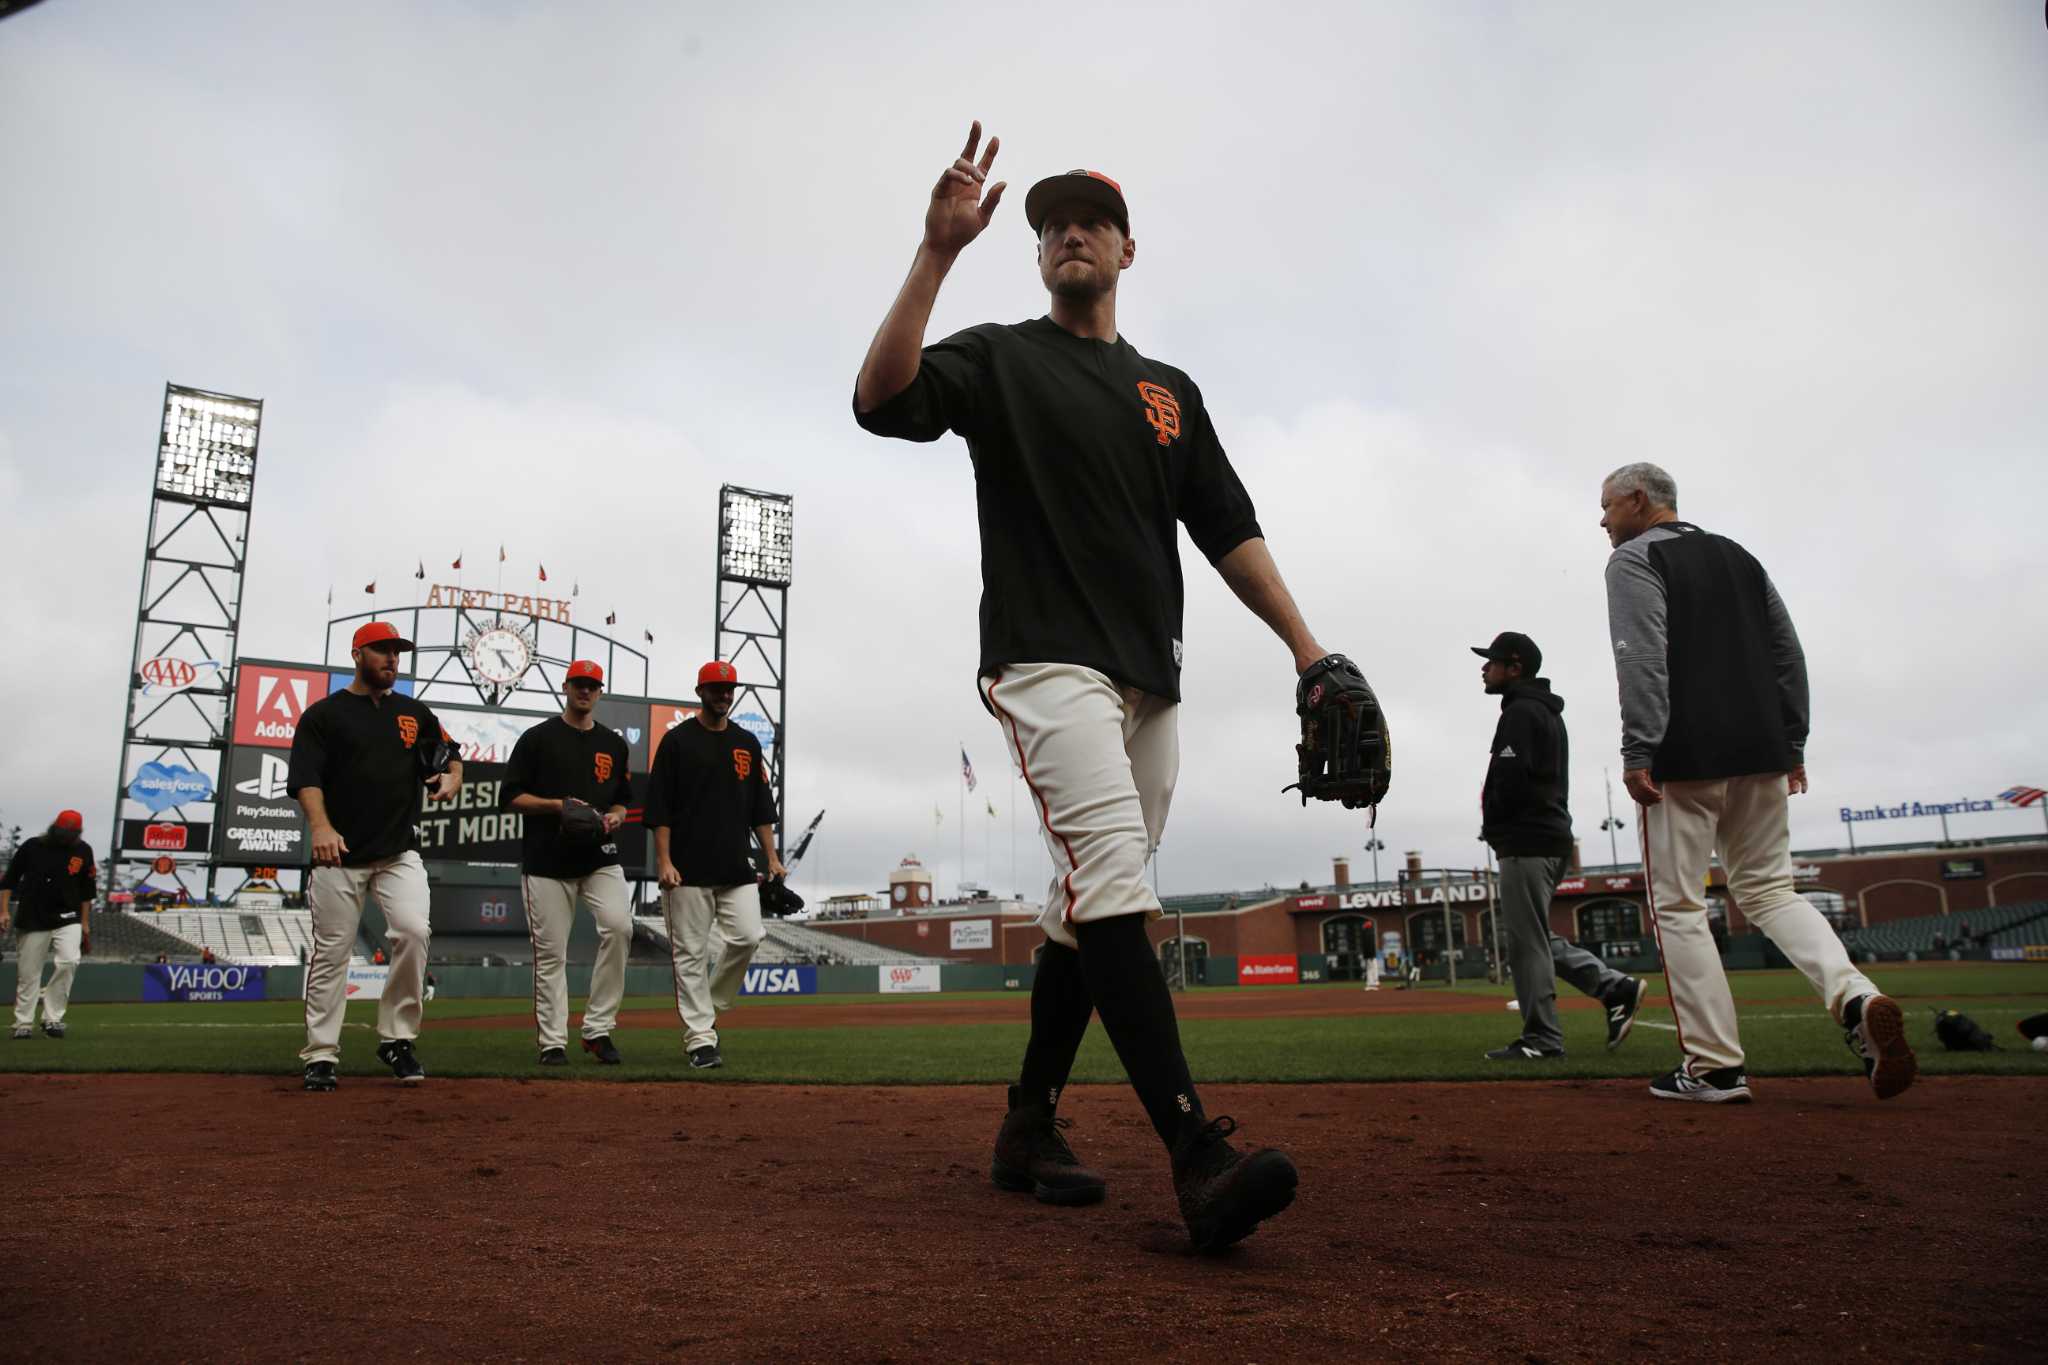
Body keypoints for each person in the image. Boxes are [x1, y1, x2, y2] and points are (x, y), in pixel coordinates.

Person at [852, 123, 1335, 1251]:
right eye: (1049, 223)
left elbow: (1227, 529)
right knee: (1112, 875)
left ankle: (1025, 1125)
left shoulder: (1167, 391)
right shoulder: (1000, 355)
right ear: (1035, 257)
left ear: (1126, 249)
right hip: (1042, 656)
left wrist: (1307, 650)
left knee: (1085, 908)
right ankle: (1194, 1155)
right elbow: (880, 401)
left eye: (1091, 220)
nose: (1068, 230)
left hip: (1149, 678)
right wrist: (934, 254)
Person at [1600, 462, 1915, 1102]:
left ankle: (1714, 1066)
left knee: (1681, 907)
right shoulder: (1741, 557)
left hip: (1682, 759)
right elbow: (1786, 654)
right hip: (1763, 752)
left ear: (1639, 500)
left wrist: (1639, 749)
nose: (1602, 521)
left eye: (1607, 506)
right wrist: (1792, 742)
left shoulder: (1633, 560)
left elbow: (1642, 655)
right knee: (1773, 893)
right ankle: (1857, 998)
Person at [287, 621, 461, 1092]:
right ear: (357, 654)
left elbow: (451, 754)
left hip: (398, 851)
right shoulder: (324, 716)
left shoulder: (413, 712)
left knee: (413, 931)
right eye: (381, 650)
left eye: (396, 652)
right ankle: (321, 1055)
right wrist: (320, 826)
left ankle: (397, 1038)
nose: (391, 658)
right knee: (332, 955)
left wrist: (452, 777)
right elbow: (306, 779)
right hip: (338, 855)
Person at [1472, 631, 1647, 1061]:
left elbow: (1512, 780)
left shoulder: (1522, 711)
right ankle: (1614, 987)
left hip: (1527, 839)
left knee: (1526, 943)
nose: (1484, 668)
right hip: (1546, 836)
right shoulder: (1540, 710)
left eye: (1491, 661)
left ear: (1515, 668)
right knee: (1535, 936)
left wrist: (1497, 819)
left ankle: (1542, 1040)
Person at [645, 660, 785, 1070]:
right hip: (686, 868)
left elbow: (762, 807)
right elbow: (661, 809)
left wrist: (772, 858)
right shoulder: (676, 742)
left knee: (748, 936)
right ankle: (701, 1040)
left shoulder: (745, 742)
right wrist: (664, 861)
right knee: (688, 955)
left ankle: (710, 1004)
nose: (724, 695)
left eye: (729, 689)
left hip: (734, 864)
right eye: (716, 689)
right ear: (700, 692)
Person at [503, 659, 635, 1066]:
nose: (585, 690)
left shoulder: (613, 745)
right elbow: (509, 797)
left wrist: (614, 815)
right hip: (546, 860)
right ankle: (552, 1041)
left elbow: (622, 800)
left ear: (600, 692)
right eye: (579, 683)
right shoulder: (537, 738)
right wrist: (556, 806)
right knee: (551, 954)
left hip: (598, 855)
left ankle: (597, 1030)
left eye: (592, 685)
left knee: (620, 927)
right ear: (566, 686)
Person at [1, 810, 95, 1040]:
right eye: (64, 830)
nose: (67, 835)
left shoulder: (83, 850)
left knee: (69, 961)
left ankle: (52, 1018)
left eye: (72, 832)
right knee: (28, 973)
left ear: (78, 832)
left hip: (68, 915)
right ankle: (23, 1022)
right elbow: (9, 880)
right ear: (55, 828)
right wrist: (3, 910)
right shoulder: (32, 846)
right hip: (33, 915)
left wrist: (84, 922)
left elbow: (87, 891)